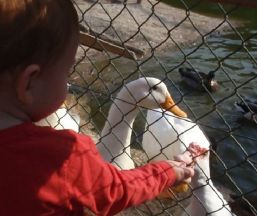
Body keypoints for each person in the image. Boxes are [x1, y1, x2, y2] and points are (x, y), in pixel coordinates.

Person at [0, 1, 195, 216]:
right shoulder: (63, 154)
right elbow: (116, 190)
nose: (68, 84)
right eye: (68, 72)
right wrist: (169, 171)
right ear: (29, 83)